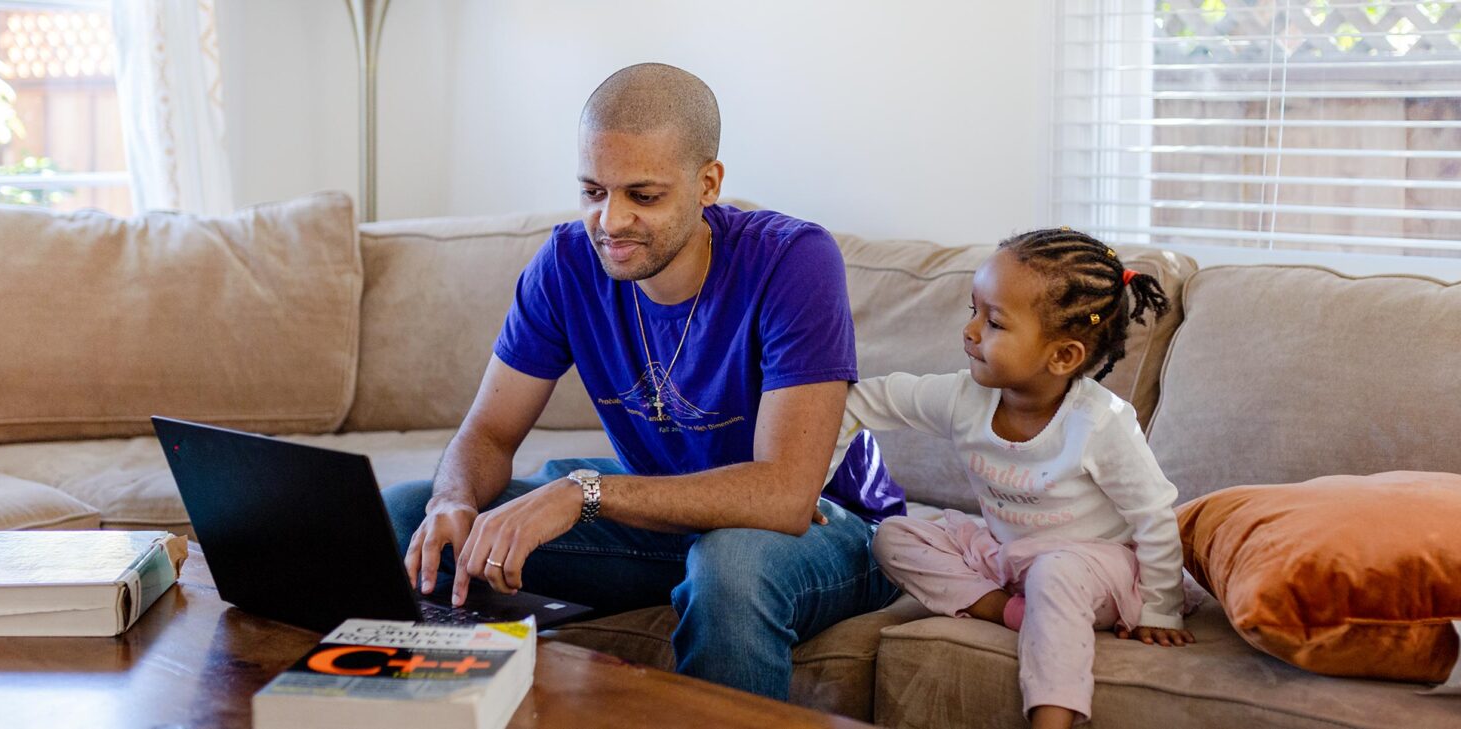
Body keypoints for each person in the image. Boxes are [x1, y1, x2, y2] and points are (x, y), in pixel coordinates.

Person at [382, 63, 901, 700]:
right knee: (409, 514)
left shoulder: (794, 261)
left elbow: (786, 495)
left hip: (830, 526)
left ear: (708, 183)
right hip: (669, 524)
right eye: (593, 191)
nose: (610, 220)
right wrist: (453, 503)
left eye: (643, 196)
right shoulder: (568, 264)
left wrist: (583, 492)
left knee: (729, 567)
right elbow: (488, 432)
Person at [834, 227, 1193, 729]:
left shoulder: (1100, 422)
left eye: (995, 322)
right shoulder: (964, 398)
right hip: (1011, 556)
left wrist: (1161, 610)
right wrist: (808, 484)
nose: (971, 332)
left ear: (1063, 356)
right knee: (894, 535)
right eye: (972, 311)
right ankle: (1012, 613)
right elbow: (857, 401)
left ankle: (1052, 716)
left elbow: (1154, 516)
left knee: (1056, 573)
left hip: (1097, 570)